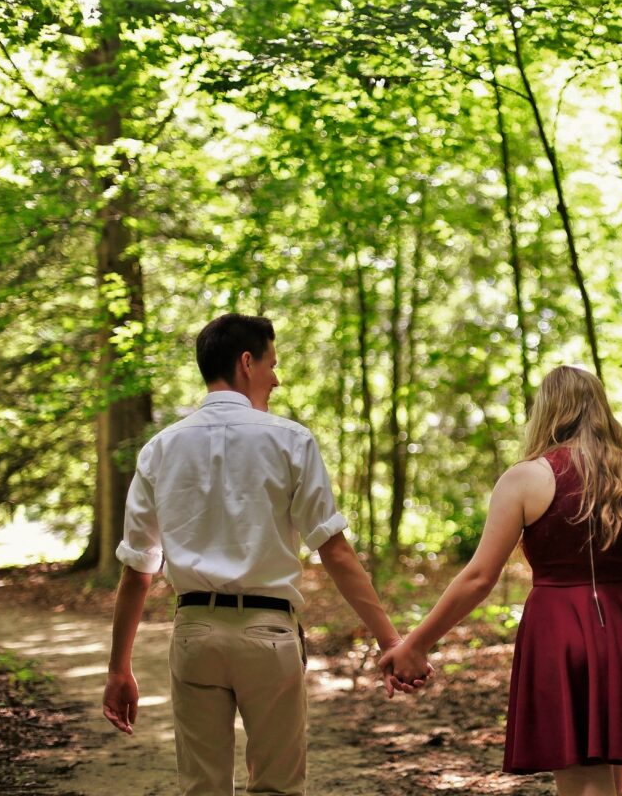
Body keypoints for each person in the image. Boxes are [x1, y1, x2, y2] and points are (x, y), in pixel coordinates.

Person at [101, 313, 430, 796]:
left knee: (201, 788)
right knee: (278, 788)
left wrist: (118, 669)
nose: (276, 378)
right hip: (269, 636)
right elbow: (334, 552)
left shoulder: (160, 449)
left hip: (194, 635)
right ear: (247, 361)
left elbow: (137, 571)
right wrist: (390, 642)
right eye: (272, 364)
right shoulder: (290, 440)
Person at [379, 365, 622, 796]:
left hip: (559, 632)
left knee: (587, 783)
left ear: (545, 413)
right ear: (600, 410)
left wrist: (415, 643)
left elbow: (479, 577)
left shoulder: (524, 478)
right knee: (609, 780)